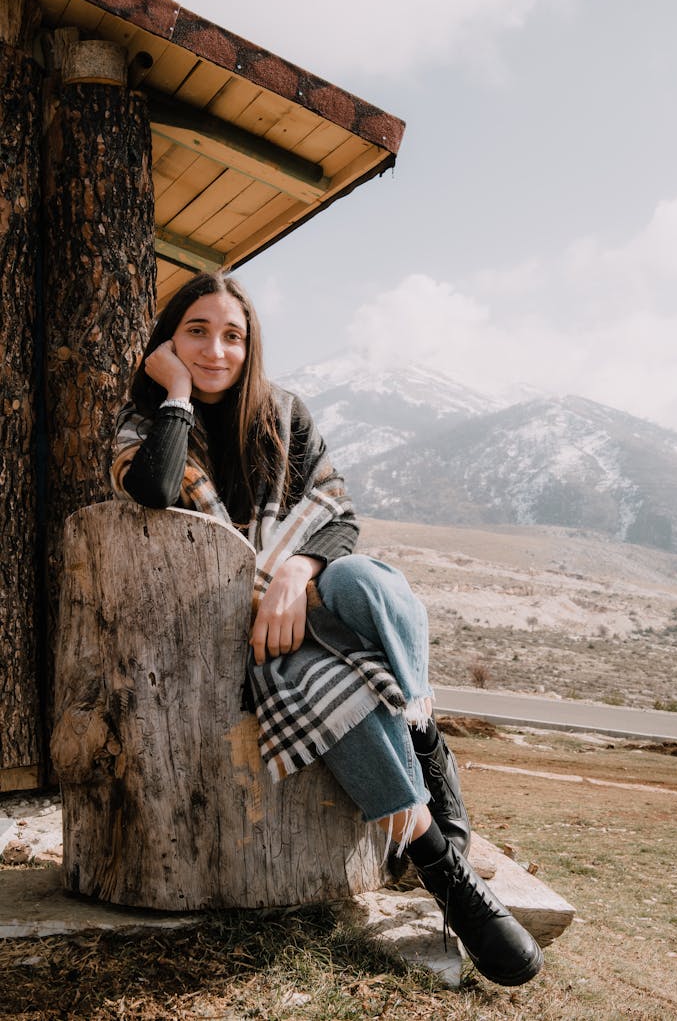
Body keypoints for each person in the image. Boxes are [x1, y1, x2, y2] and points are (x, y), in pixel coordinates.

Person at [110, 272, 543, 987]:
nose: (216, 350)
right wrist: (177, 398)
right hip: (230, 642)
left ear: (252, 347)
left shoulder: (284, 414)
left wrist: (295, 569)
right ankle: (447, 873)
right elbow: (156, 490)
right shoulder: (146, 422)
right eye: (196, 331)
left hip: (304, 604)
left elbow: (339, 515)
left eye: (233, 335)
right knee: (328, 681)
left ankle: (424, 730)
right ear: (168, 339)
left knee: (365, 577)